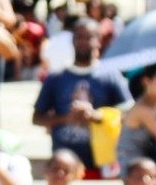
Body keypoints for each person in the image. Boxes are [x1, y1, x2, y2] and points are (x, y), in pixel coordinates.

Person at [31, 18, 129, 172]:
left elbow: (128, 112)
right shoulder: (56, 77)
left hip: (102, 161)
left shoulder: (110, 75)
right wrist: (66, 118)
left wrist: (97, 117)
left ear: (98, 41)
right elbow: (37, 118)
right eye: (79, 37)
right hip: (64, 164)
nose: (83, 42)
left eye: (88, 37)